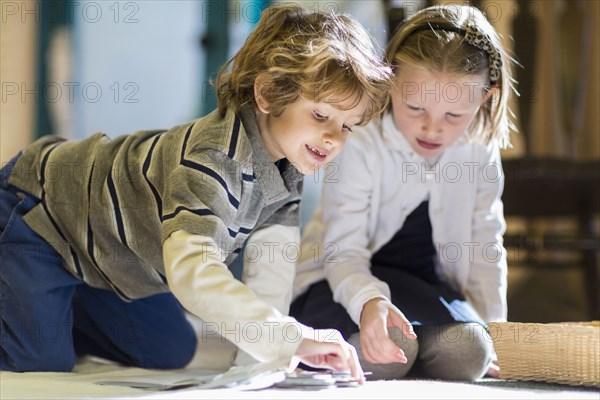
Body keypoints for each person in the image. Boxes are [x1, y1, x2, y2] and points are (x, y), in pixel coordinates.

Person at [0, 4, 392, 380]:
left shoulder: (287, 169)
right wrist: (289, 337)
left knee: (169, 349)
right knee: (41, 362)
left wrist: (268, 362)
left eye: (346, 126)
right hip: (38, 212)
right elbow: (193, 273)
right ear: (268, 95)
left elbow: (269, 271)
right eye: (321, 115)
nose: (332, 138)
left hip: (106, 256)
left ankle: (54, 304)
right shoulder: (212, 158)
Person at [291, 4, 517, 381]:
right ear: (391, 81)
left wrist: (499, 334)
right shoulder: (361, 139)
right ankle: (398, 347)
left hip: (425, 286)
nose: (432, 128)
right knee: (390, 352)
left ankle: (419, 346)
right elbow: (343, 253)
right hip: (342, 279)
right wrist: (370, 303)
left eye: (454, 116)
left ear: (485, 98)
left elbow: (485, 246)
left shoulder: (479, 148)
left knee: (471, 354)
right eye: (415, 107)